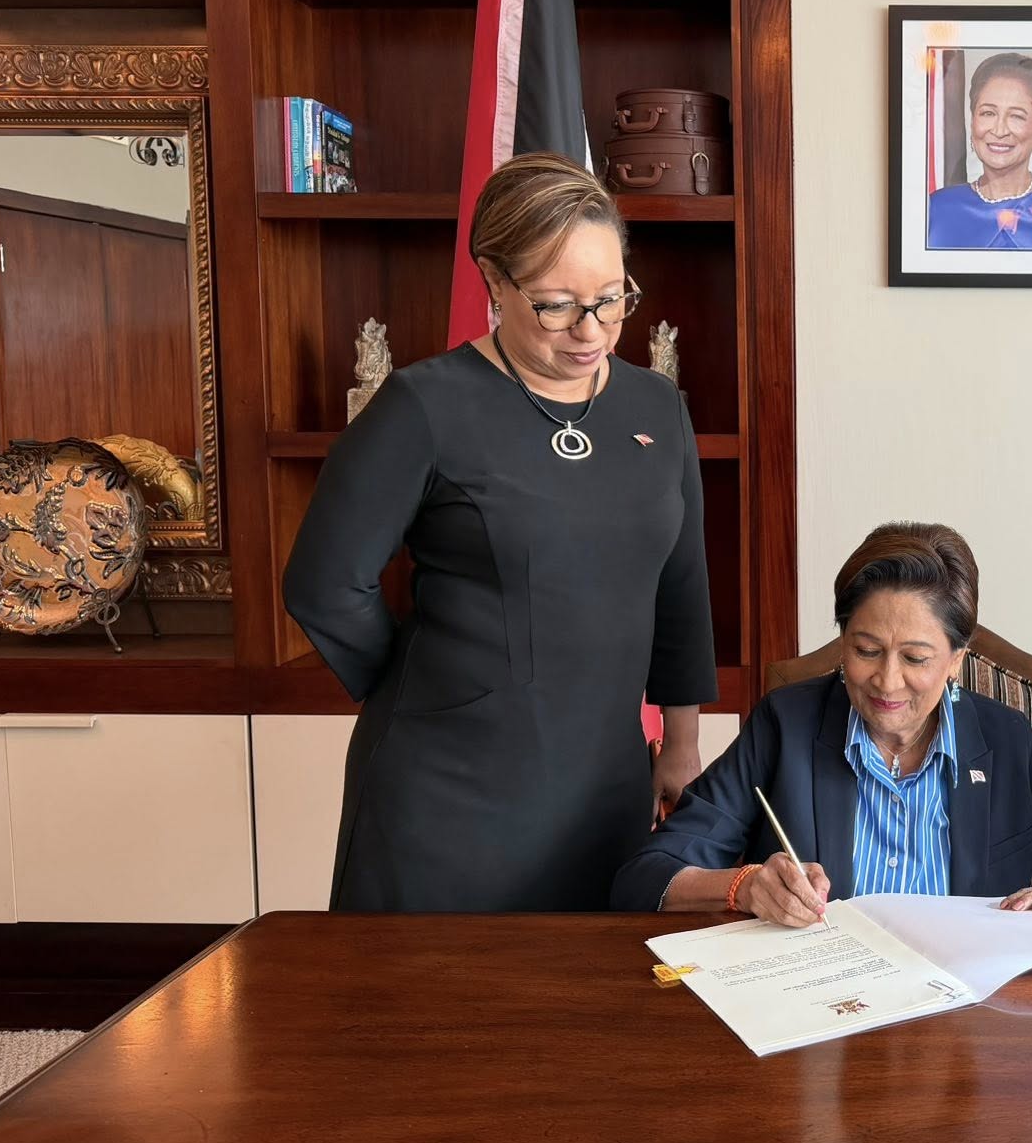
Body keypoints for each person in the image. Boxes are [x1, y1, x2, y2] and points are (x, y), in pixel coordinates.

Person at [284, 152, 714, 911]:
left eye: (612, 299)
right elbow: (325, 583)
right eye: (556, 305)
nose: (590, 330)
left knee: (592, 981)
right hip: (450, 790)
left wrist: (682, 743)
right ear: (493, 279)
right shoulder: (424, 405)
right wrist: (432, 687)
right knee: (431, 988)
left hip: (604, 782)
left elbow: (680, 586)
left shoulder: (657, 407)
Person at [613, 522, 1032, 923]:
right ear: (844, 641)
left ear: (956, 659)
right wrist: (743, 887)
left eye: (915, 658)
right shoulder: (786, 725)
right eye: (866, 651)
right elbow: (644, 877)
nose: (887, 682)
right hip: (821, 1009)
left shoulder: (1006, 741)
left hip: (965, 1018)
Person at [925, 52, 1032, 250]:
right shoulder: (937, 207)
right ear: (973, 122)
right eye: (988, 113)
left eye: (1016, 116)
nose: (999, 130)